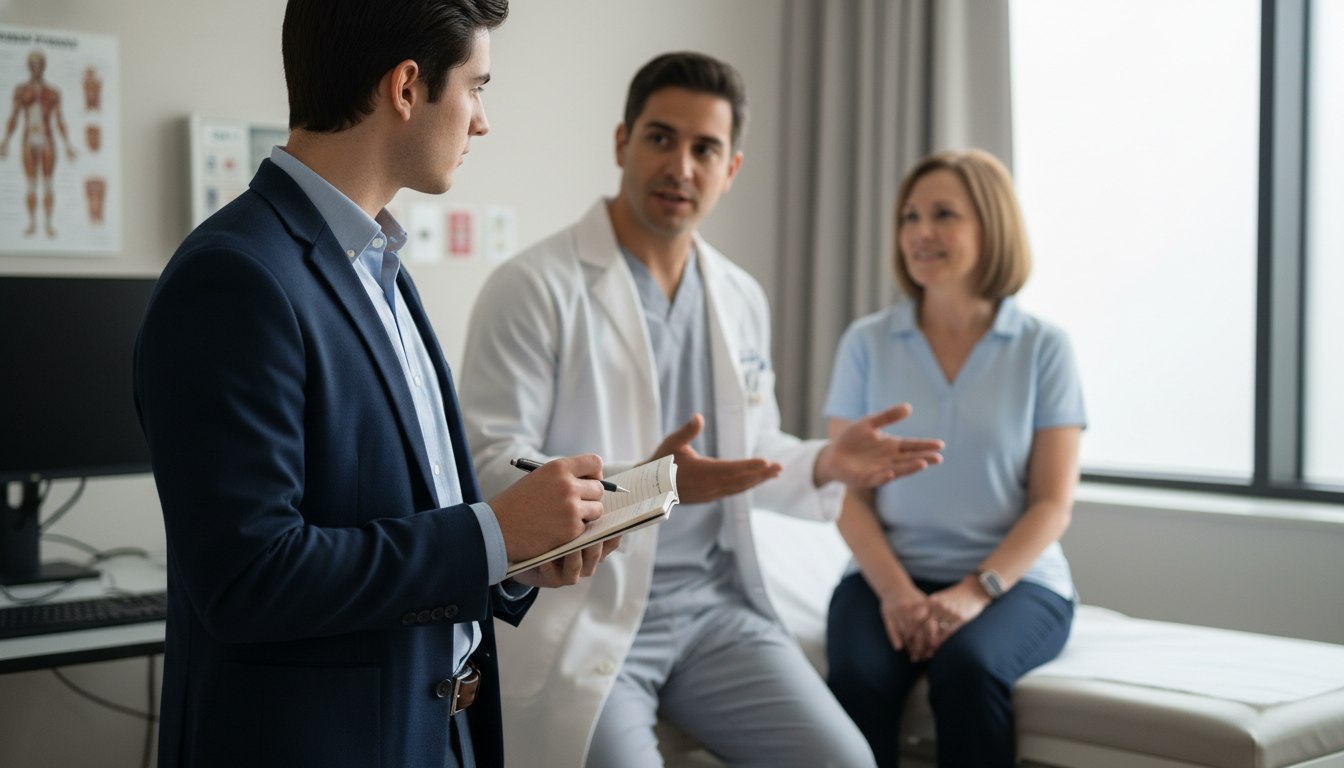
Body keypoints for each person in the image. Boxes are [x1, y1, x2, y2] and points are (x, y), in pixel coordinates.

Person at [133, 2, 619, 766]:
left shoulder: (381, 268)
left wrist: (515, 558)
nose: (483, 121)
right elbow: (249, 578)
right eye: (477, 88)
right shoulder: (233, 278)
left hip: (436, 730)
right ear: (405, 87)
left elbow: (401, 516)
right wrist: (492, 534)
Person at [459, 52, 945, 768]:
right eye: (661, 138)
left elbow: (746, 455)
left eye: (704, 148)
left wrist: (824, 462)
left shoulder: (740, 296)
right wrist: (650, 484)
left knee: (850, 762)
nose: (680, 166)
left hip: (716, 615)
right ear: (623, 143)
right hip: (592, 608)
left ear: (731, 169)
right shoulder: (532, 287)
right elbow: (490, 465)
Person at [822, 149, 1086, 768]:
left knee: (967, 671)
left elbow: (1053, 503)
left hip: (1014, 583)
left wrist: (974, 591)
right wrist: (897, 593)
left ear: (991, 227)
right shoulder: (866, 343)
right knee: (858, 679)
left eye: (944, 214)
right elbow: (845, 491)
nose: (920, 232)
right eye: (910, 217)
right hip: (886, 576)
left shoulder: (1044, 348)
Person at [0, 49, 77, 238]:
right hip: (29, 138)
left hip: (47, 138)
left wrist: (67, 144)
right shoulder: (21, 90)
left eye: (39, 64)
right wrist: (6, 141)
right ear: (28, 66)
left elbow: (60, 119)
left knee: (48, 183)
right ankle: (32, 223)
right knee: (31, 183)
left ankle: (48, 224)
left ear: (44, 66)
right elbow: (14, 117)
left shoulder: (52, 92)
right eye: (32, 64)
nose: (36, 67)